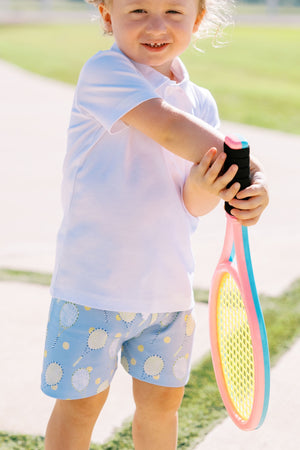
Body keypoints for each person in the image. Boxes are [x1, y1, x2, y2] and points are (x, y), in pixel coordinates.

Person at [41, 1, 269, 449]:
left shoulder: (200, 101)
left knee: (162, 406)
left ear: (198, 19)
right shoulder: (105, 72)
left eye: (173, 11)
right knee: (81, 406)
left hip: (167, 294)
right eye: (139, 9)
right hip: (92, 290)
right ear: (108, 16)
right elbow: (165, 127)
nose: (156, 25)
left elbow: (192, 199)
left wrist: (223, 184)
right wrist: (248, 169)